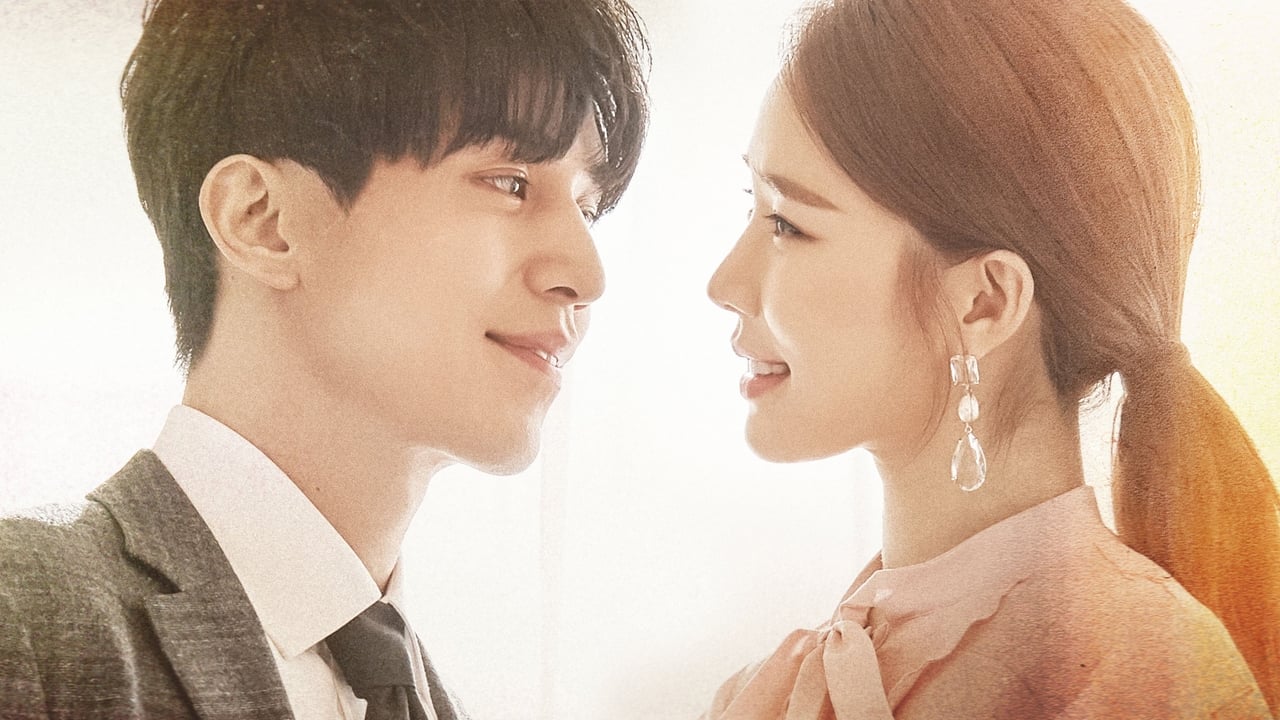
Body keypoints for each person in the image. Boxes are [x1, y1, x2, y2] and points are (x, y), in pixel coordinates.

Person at [0, 1, 648, 718]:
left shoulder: (437, 701)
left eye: (587, 208)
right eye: (510, 182)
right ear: (263, 221)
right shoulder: (25, 624)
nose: (586, 275)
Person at [702, 0, 1279, 717]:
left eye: (788, 224)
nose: (724, 283)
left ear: (983, 303)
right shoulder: (763, 694)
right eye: (751, 206)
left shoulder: (1151, 676)